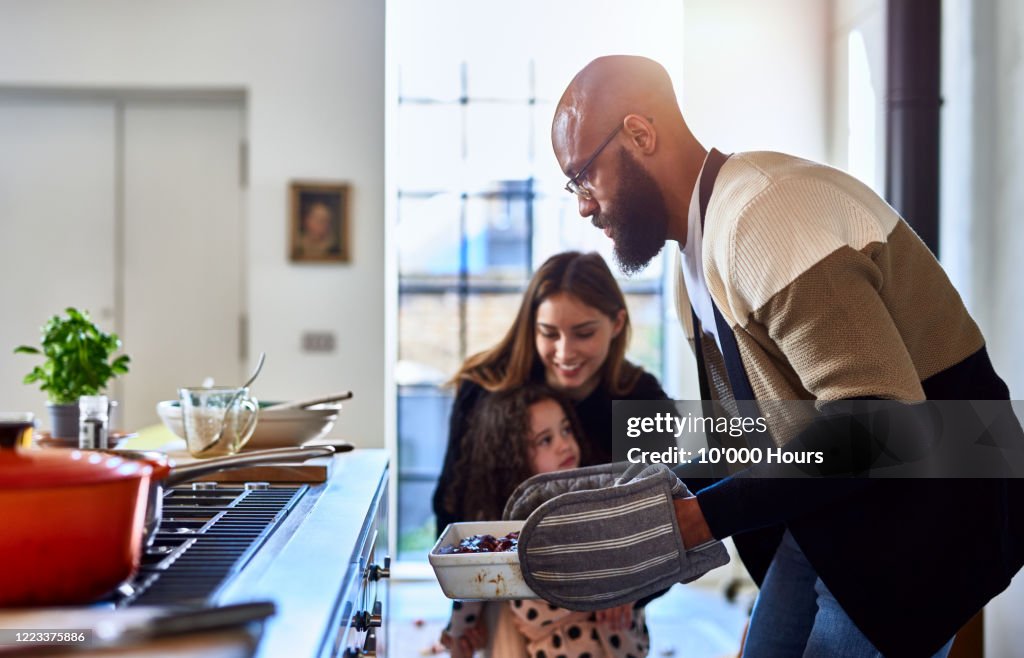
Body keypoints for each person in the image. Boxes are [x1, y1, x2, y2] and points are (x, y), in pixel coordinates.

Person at [505, 55, 1024, 658]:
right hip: (843, 503)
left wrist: (696, 520)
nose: (584, 206)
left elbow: (880, 422)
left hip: (926, 509)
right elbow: (757, 431)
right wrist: (660, 490)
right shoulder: (695, 256)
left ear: (640, 135)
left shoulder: (762, 214)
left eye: (583, 177)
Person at [432, 250, 669, 537]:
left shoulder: (643, 398)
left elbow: (665, 518)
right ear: (531, 326)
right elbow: (448, 505)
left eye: (584, 334)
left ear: (617, 324)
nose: (565, 352)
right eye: (549, 333)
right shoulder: (483, 385)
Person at [440, 385, 649, 658]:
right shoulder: (503, 530)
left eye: (566, 430)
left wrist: (629, 589)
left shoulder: (598, 498)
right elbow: (469, 589)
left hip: (613, 639)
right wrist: (458, 634)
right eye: (545, 440)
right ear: (513, 457)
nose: (564, 444)